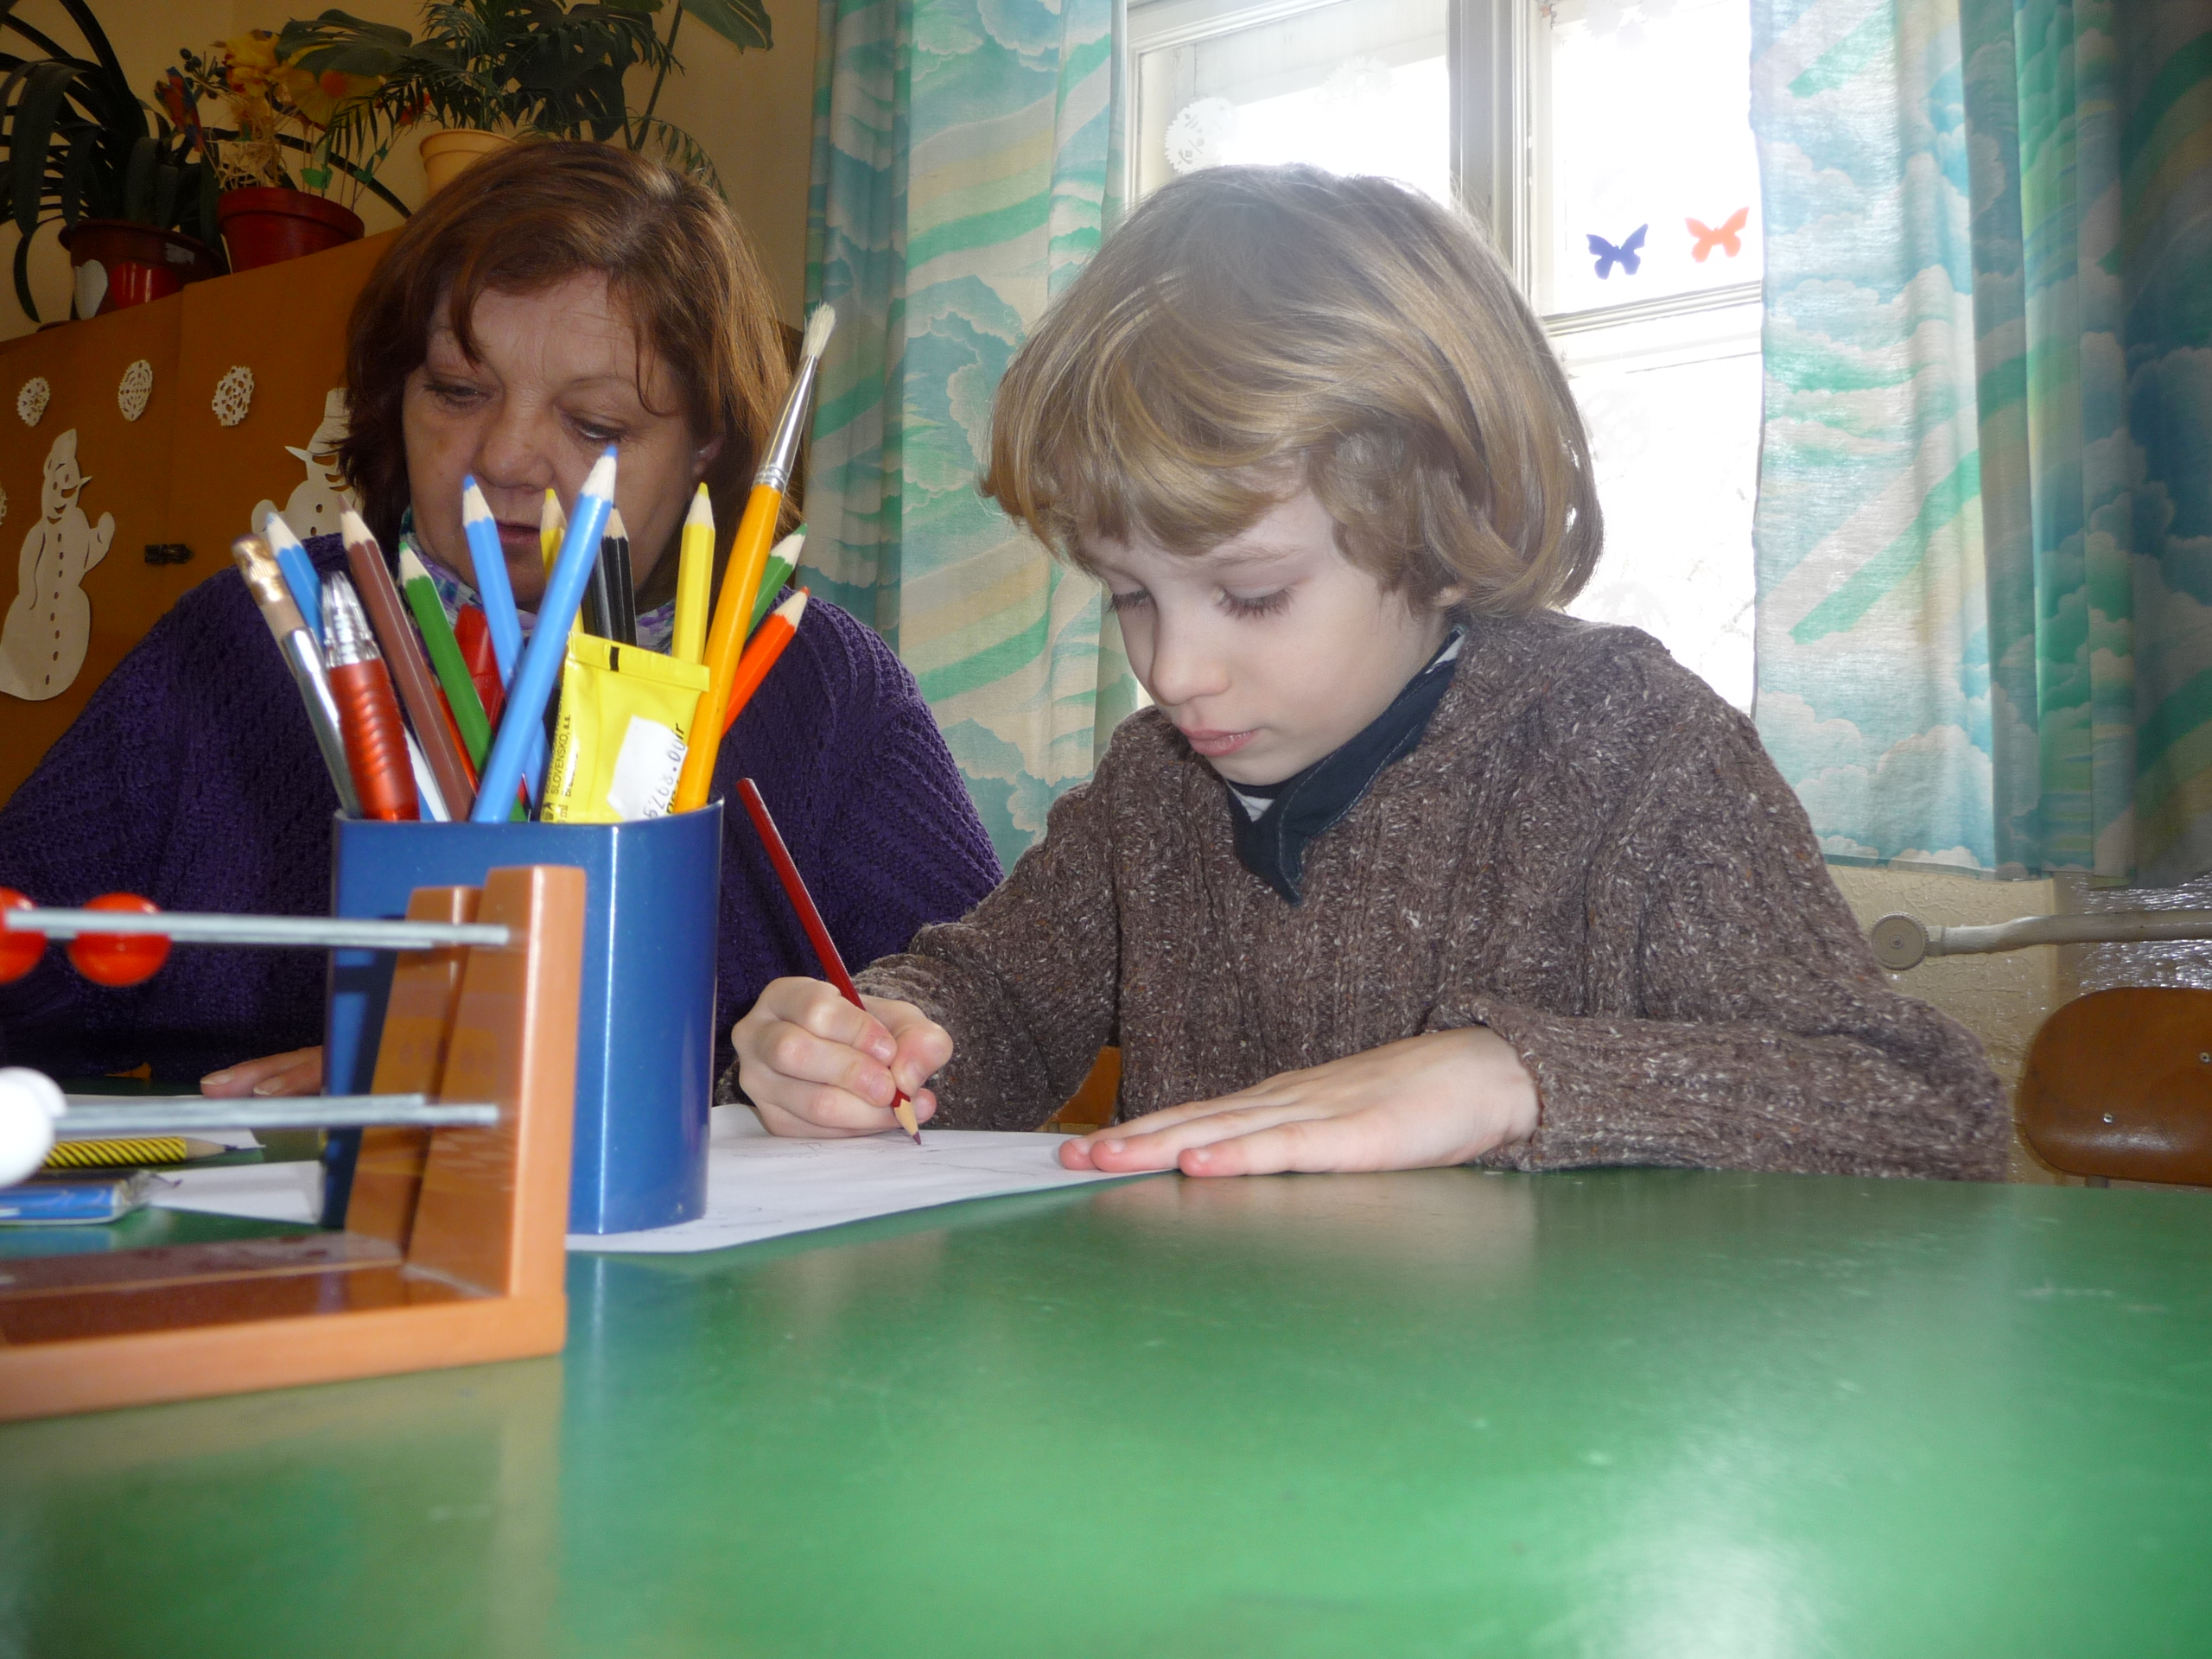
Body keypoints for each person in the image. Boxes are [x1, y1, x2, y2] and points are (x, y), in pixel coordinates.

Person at [729, 164, 2010, 1182]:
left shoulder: (1633, 751)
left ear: (1438, 525)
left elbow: (1923, 1112)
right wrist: (875, 1044)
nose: (1174, 669)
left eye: (1252, 594)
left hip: (1546, 1414)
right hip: (1214, 1392)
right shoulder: (1155, 790)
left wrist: (1515, 1079)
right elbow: (997, 999)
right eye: (1129, 595)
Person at [0, 143, 1001, 1090]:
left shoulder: (828, 686)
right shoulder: (251, 637)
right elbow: (27, 955)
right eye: (455, 391)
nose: (505, 459)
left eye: (595, 423)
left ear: (706, 443)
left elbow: (983, 1029)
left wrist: (758, 1081)